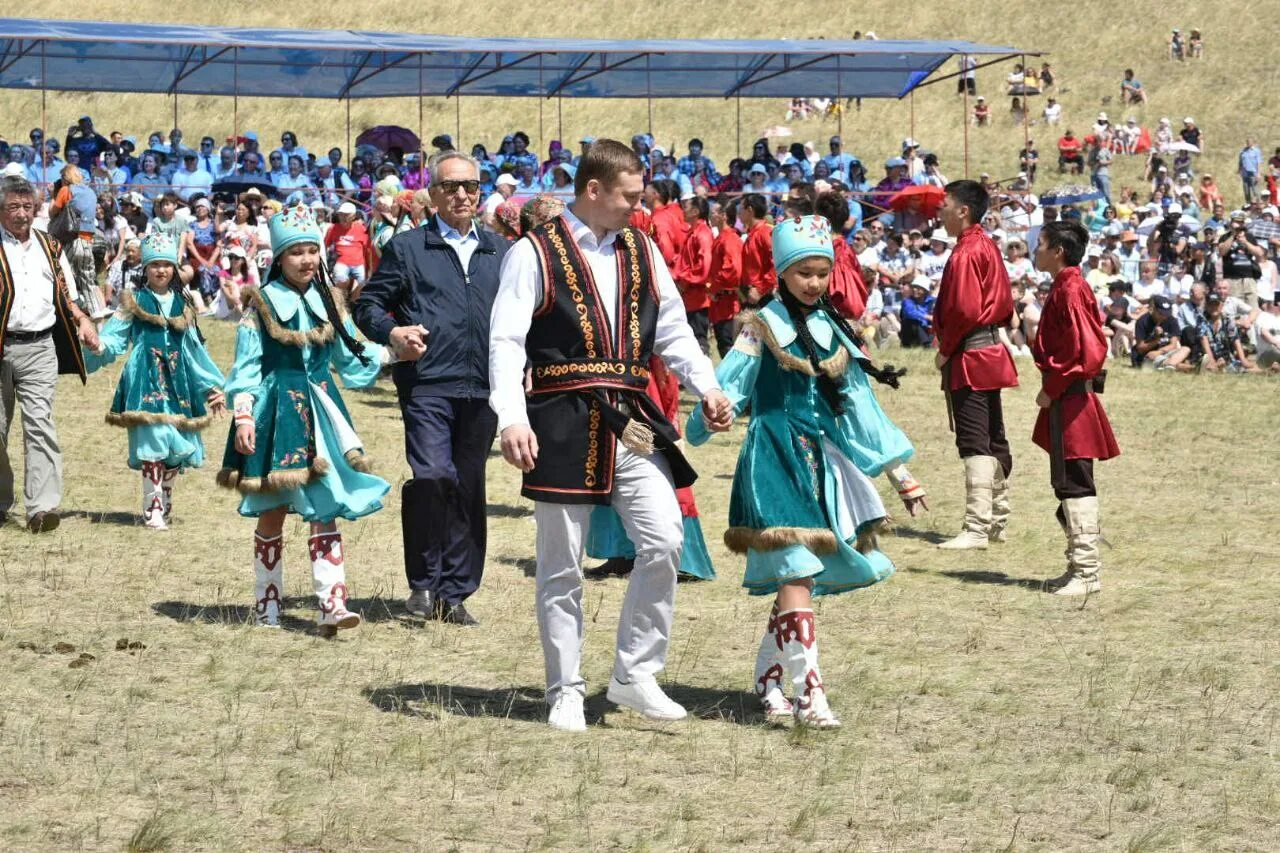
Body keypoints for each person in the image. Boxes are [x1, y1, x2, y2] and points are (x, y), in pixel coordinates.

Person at [488, 139, 732, 732]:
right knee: (561, 564)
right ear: (593, 190)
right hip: (560, 417)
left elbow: (672, 329)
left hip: (631, 416)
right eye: (628, 196)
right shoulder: (532, 252)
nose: (637, 206)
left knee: (665, 539)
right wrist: (511, 416)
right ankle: (565, 687)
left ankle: (634, 674)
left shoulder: (642, 249)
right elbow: (506, 340)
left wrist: (710, 386)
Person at [685, 214, 922, 727]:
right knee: (796, 568)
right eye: (803, 273)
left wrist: (899, 475)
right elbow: (730, 383)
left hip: (823, 464)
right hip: (772, 459)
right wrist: (710, 414)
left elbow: (859, 406)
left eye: (821, 273)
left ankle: (770, 682)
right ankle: (809, 693)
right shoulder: (761, 325)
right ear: (782, 273)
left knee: (801, 577)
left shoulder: (833, 327)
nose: (814, 282)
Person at [218, 205, 389, 633]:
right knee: (273, 507)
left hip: (322, 410)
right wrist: (243, 417)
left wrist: (392, 353)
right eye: (297, 252)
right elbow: (246, 368)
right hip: (276, 410)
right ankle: (267, 603)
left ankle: (332, 603)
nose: (308, 260)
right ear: (279, 258)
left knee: (324, 503)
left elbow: (349, 357)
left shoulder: (329, 300)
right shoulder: (260, 305)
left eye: (314, 250)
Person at [355, 151, 509, 626]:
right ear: (434, 194)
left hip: (484, 387)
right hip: (427, 384)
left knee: (467, 486)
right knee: (432, 477)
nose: (461, 194)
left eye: (470, 185)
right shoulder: (408, 248)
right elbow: (369, 306)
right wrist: (392, 333)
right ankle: (422, 582)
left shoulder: (501, 251)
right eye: (450, 186)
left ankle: (455, 593)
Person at [83, 233, 226, 529]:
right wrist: (99, 346)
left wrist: (211, 387)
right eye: (154, 265)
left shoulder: (184, 305)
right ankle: (153, 505)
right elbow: (114, 338)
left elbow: (194, 350)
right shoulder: (133, 302)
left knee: (175, 446)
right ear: (145, 269)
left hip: (179, 382)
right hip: (145, 379)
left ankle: (167, 491)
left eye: (166, 264)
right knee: (153, 440)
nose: (161, 270)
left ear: (174, 268)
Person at [0, 175, 99, 532]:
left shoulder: (49, 245)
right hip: (0, 347)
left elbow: (65, 293)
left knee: (40, 425)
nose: (22, 214)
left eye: (27, 206)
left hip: (40, 348)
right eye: (13, 206)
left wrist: (83, 320)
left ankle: (41, 509)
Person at [1029, 221, 1120, 596]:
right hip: (1067, 396)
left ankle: (1087, 572)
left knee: (1076, 481)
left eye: (1041, 244)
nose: (1036, 251)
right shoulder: (1065, 285)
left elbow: (1089, 350)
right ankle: (1077, 566)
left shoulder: (1071, 287)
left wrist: (1052, 387)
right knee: (1065, 482)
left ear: (1058, 251)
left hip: (1072, 399)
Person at [934, 180, 1019, 551]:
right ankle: (995, 518)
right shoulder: (986, 246)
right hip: (987, 348)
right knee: (991, 434)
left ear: (963, 210)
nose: (940, 212)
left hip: (969, 353)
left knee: (974, 439)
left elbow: (965, 311)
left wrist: (946, 349)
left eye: (945, 205)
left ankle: (977, 526)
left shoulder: (967, 252)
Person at [707, 198, 743, 357]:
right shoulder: (722, 237)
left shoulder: (729, 239)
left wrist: (714, 287)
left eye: (713, 212)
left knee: (728, 346)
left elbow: (733, 270)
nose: (710, 215)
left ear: (724, 216)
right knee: (723, 344)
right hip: (720, 302)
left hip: (727, 303)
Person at [1218, 212, 1265, 308]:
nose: (1240, 224)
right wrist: (1233, 236)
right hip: (1232, 279)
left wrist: (1245, 242)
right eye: (1237, 222)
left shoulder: (1249, 236)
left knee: (1253, 308)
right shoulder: (1225, 237)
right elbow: (1222, 251)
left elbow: (1259, 253)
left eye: (1241, 222)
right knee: (1236, 310)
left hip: (1249, 278)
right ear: (1231, 223)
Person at [323, 202, 371, 298]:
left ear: (353, 216)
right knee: (340, 279)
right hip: (342, 262)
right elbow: (324, 246)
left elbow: (368, 249)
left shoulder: (361, 229)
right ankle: (340, 303)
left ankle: (352, 302)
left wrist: (368, 268)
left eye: (347, 215)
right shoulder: (333, 228)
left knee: (365, 282)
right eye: (341, 214)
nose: (343, 217)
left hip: (359, 263)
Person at [1131, 295, 1190, 369]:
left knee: (1186, 349)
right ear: (1153, 309)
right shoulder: (1142, 321)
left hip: (1164, 352)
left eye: (1166, 314)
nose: (1164, 316)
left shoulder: (1172, 320)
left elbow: (1173, 344)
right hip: (1147, 355)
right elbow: (1140, 348)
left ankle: (1169, 366)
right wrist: (1157, 339)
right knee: (1157, 358)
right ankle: (1194, 368)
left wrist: (1160, 352)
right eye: (1161, 313)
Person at [739, 194, 774, 307]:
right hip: (751, 295)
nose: (739, 213)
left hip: (761, 297)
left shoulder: (765, 233)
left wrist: (760, 289)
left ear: (749, 210)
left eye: (741, 208)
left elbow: (777, 265)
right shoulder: (752, 234)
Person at [899, 278, 935, 347]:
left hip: (927, 329)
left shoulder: (932, 301)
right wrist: (927, 317)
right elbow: (910, 312)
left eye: (918, 288)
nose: (915, 290)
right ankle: (926, 344)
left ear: (925, 290)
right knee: (913, 322)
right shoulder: (907, 301)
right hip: (910, 332)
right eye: (914, 287)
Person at [1239, 138, 1263, 205]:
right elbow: (1240, 162)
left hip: (1253, 173)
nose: (1248, 143)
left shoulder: (1256, 151)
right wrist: (1239, 170)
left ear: (1253, 142)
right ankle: (1248, 205)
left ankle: (1259, 205)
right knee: (1246, 190)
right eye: (1247, 142)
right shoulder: (1243, 151)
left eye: (1250, 142)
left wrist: (1258, 173)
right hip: (1245, 173)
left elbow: (1259, 163)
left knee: (1255, 190)